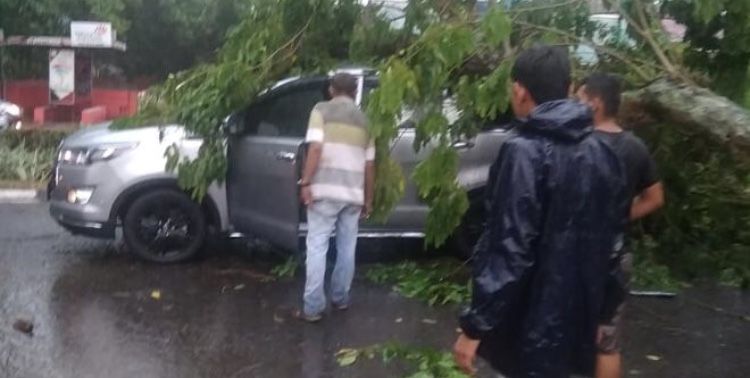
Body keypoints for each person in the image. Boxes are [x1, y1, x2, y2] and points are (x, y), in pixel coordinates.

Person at [453, 46, 629, 377]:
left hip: (529, 328)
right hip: (579, 323)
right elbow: (614, 246)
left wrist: (474, 327)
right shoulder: (604, 153)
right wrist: (604, 314)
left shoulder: (523, 152)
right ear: (568, 87)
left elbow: (509, 248)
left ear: (519, 91)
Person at [577, 73, 665, 378]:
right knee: (607, 342)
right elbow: (655, 197)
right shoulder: (635, 147)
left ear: (595, 102)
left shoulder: (578, 145)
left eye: (579, 99)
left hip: (574, 257)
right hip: (616, 257)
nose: (576, 106)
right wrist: (622, 216)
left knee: (563, 334)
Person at [296, 72, 376, 322]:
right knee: (347, 247)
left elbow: (316, 148)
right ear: (354, 92)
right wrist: (368, 198)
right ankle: (340, 298)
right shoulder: (366, 121)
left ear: (332, 90)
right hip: (353, 193)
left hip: (325, 190)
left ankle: (312, 308)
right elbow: (370, 164)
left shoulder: (321, 111)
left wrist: (306, 181)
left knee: (317, 245)